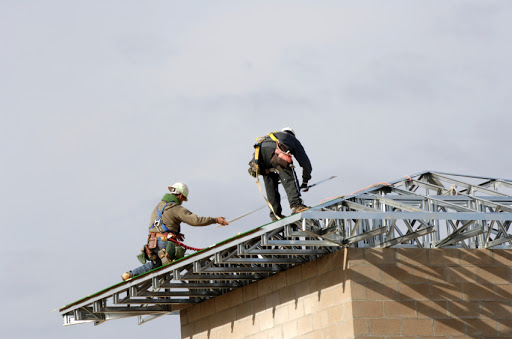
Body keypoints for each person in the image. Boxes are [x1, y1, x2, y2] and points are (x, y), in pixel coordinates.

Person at [121, 182, 229, 281]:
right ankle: (199, 278)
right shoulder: (175, 208)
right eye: (183, 199)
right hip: (164, 242)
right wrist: (216, 220)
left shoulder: (158, 207)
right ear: (181, 195)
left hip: (152, 242)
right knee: (181, 260)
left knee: (156, 265)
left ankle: (130, 274)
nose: (182, 202)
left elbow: (161, 224)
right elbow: (196, 220)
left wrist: (175, 233)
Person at [253, 127, 312, 221]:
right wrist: (305, 181)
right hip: (274, 151)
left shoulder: (270, 136)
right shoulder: (292, 139)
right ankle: (296, 206)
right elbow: (306, 164)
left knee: (270, 181)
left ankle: (275, 214)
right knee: (289, 176)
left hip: (260, 155)